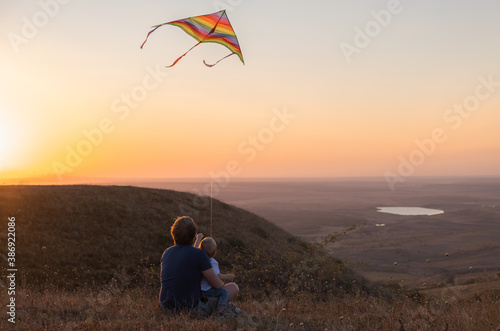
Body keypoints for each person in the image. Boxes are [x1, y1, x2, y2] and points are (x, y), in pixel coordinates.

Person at [158, 216, 238, 317]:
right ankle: (220, 313)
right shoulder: (199, 254)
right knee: (233, 288)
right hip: (190, 309)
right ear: (194, 236)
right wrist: (223, 280)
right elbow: (217, 285)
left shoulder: (167, 252)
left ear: (173, 233)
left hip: (165, 307)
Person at [198, 236, 238, 315]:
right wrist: (228, 277)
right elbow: (216, 275)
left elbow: (195, 249)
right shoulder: (213, 262)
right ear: (214, 252)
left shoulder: (198, 259)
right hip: (207, 290)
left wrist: (198, 238)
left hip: (199, 290)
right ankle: (220, 311)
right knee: (224, 293)